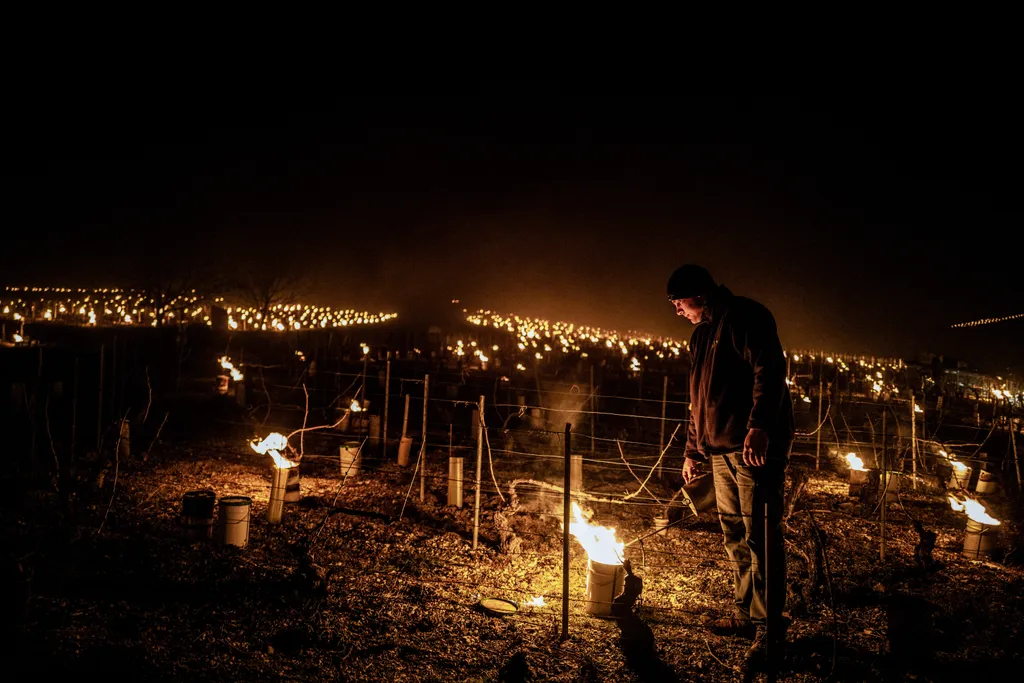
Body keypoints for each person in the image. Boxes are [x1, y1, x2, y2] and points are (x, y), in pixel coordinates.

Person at [667, 264, 794, 671]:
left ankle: (769, 630)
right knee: (735, 533)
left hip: (751, 449)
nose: (677, 310)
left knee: (761, 535)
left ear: (700, 295)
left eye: (678, 301)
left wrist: (759, 426)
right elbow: (697, 398)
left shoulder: (746, 316)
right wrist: (693, 449)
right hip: (720, 450)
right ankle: (746, 614)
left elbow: (769, 371)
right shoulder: (701, 335)